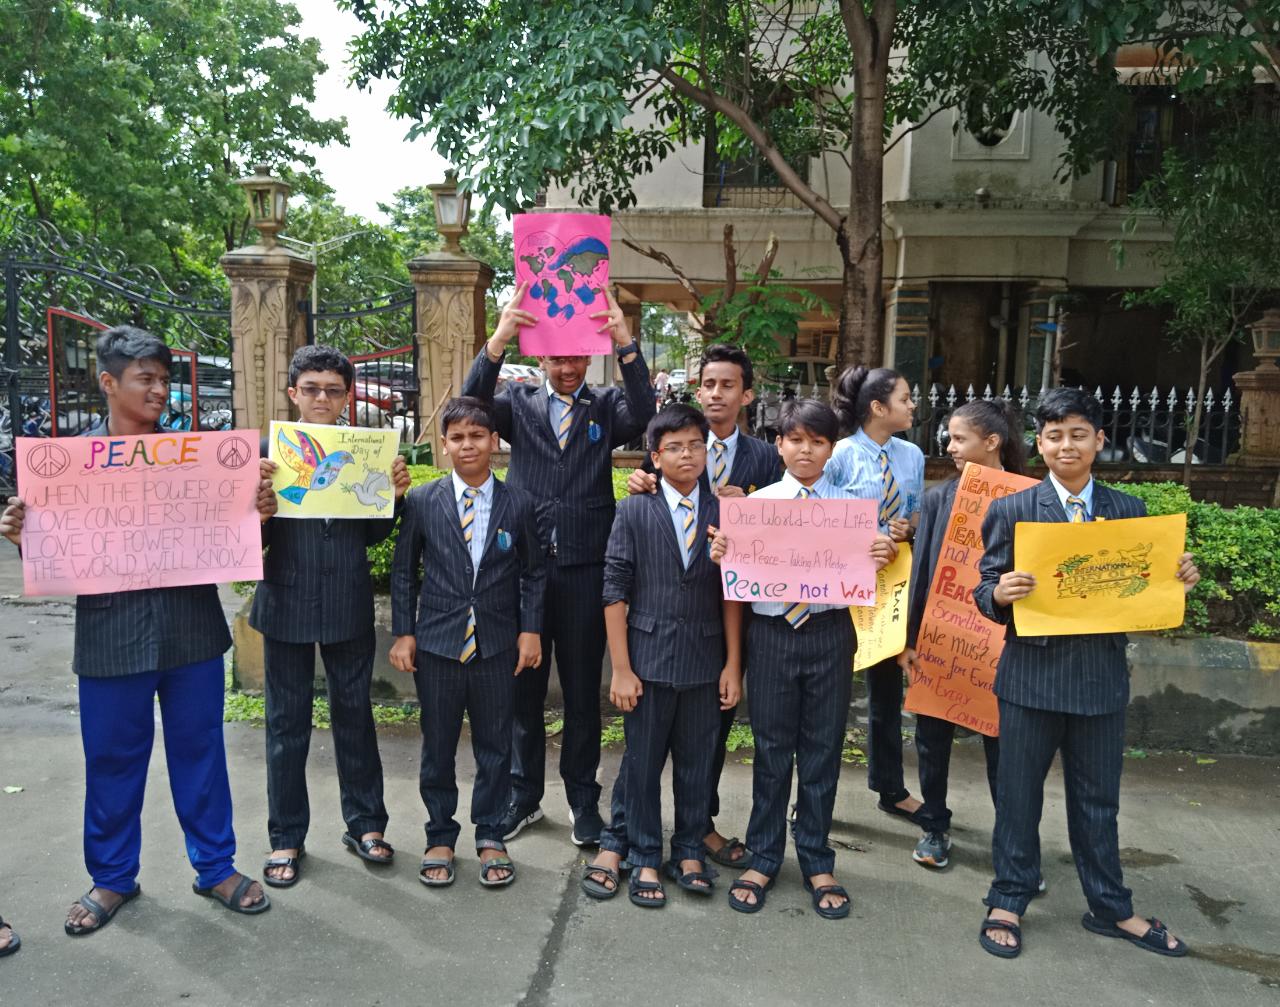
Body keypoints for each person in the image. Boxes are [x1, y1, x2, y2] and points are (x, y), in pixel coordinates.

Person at [0, 325, 276, 936]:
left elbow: (234, 540)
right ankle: (113, 877)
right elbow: (56, 556)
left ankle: (215, 866)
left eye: (163, 379)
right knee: (111, 760)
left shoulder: (196, 459)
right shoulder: (67, 466)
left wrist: (256, 513)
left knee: (201, 752)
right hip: (109, 636)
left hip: (191, 633)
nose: (158, 390)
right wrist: (25, 534)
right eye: (145, 379)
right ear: (108, 382)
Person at [974, 387, 1200, 959]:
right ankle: (1009, 897)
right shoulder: (1012, 510)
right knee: (1018, 797)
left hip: (1100, 679)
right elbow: (984, 587)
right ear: (1040, 444)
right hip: (1030, 679)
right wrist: (998, 593)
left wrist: (1178, 578)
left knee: (1099, 801)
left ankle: (1110, 906)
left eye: (1078, 434)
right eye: (1054, 436)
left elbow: (1148, 587)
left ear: (1099, 440)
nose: (1066, 446)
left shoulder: (1130, 512)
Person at [461, 282, 655, 847]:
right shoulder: (516, 404)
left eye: (576, 357)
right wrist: (498, 338)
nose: (567, 367)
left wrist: (625, 343)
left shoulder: (606, 406)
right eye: (556, 358)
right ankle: (524, 797)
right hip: (523, 571)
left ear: (588, 357)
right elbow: (470, 406)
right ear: (540, 358)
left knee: (580, 693)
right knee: (523, 690)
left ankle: (582, 800)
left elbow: (647, 416)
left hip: (585, 569)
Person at [710, 400, 898, 920]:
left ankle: (816, 858)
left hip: (830, 635)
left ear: (831, 448)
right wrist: (724, 553)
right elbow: (736, 581)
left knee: (822, 751)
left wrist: (881, 555)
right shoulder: (757, 506)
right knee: (771, 752)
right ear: (779, 445)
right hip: (771, 635)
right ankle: (764, 856)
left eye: (817, 442)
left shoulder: (853, 508)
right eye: (795, 440)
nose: (806, 450)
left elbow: (870, 576)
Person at [252, 344, 412, 887]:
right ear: (293, 393)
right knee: (285, 725)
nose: (322, 398)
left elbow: (373, 534)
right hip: (286, 604)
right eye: (312, 389)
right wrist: (257, 507)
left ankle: (366, 824)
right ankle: (285, 837)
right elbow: (245, 540)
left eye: (333, 390)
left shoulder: (363, 450)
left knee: (355, 716)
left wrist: (392, 497)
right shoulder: (265, 454)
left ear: (347, 397)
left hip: (347, 602)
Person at [626, 343, 781, 869]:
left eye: (728, 385)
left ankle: (699, 825)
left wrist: (748, 513)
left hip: (727, 616)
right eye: (708, 384)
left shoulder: (766, 457)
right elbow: (643, 516)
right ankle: (627, 831)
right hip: (664, 619)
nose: (716, 393)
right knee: (646, 740)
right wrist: (641, 482)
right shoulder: (667, 450)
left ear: (746, 394)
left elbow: (784, 530)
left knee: (710, 729)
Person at [581, 405, 742, 907]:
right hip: (647, 661)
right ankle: (645, 853)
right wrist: (621, 668)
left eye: (695, 445)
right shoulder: (633, 511)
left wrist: (733, 664)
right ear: (655, 457)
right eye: (674, 447)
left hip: (704, 661)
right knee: (644, 762)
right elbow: (614, 589)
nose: (686, 455)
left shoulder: (727, 514)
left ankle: (689, 851)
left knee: (697, 763)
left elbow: (735, 594)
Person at [389, 397, 546, 888]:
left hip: (498, 645)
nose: (468, 445)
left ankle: (491, 833)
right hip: (438, 643)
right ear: (444, 445)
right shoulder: (422, 501)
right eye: (457, 437)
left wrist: (530, 629)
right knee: (437, 744)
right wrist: (404, 633)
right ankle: (439, 834)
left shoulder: (518, 503)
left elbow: (534, 572)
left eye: (477, 436)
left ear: (495, 441)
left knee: (495, 744)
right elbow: (403, 573)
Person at [898, 399, 1026, 870]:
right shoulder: (938, 498)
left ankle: (1012, 844)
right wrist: (909, 640)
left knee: (1004, 748)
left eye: (959, 438)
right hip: (941, 639)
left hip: (1006, 644)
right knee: (931, 739)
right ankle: (935, 826)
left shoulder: (1029, 498)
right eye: (948, 437)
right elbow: (922, 571)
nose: (948, 446)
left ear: (992, 442)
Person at [827, 366, 925, 823]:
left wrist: (908, 529)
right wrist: (864, 537)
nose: (912, 405)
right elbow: (820, 516)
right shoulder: (840, 454)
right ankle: (813, 798)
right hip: (843, 585)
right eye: (905, 398)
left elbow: (915, 513)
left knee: (886, 691)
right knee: (829, 694)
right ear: (878, 407)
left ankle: (890, 787)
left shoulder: (912, 455)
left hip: (891, 584)